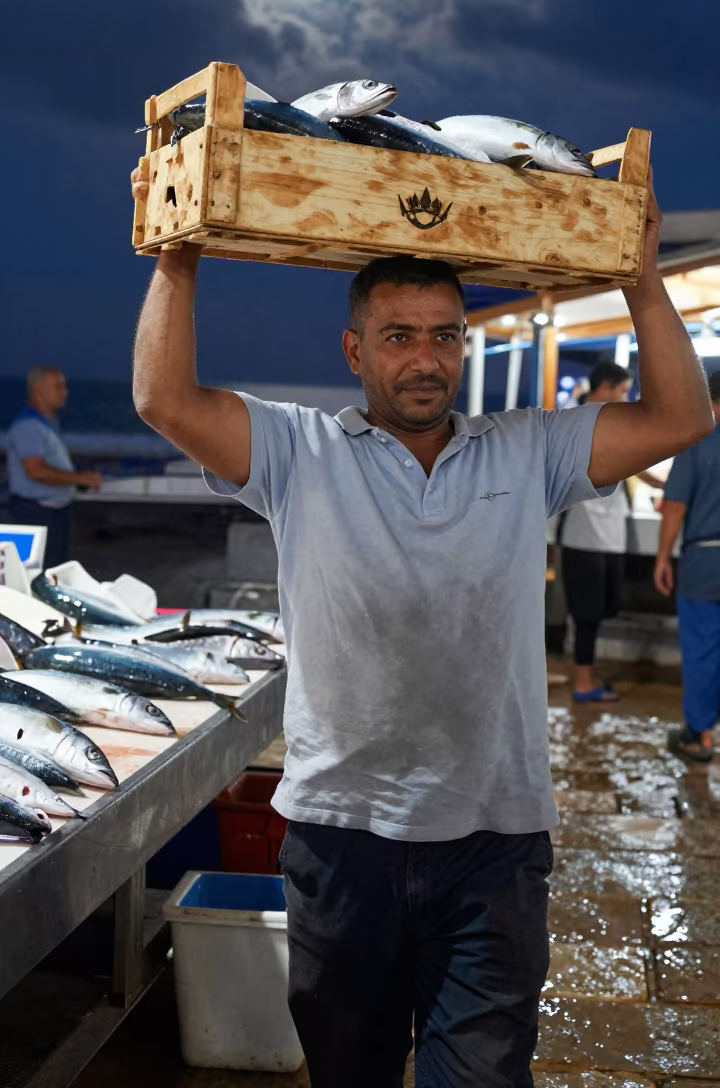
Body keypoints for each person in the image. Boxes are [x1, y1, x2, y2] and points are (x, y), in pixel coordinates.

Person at [131, 161, 710, 1088]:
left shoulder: (528, 450)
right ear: (355, 350)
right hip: (340, 840)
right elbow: (164, 400)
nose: (426, 358)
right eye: (399, 336)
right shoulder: (297, 449)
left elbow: (683, 415)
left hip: (496, 842)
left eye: (445, 337)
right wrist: (179, 255)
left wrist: (642, 280)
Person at [559, 361, 664, 702]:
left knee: (595, 612)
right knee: (587, 614)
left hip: (600, 536)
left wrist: (665, 483)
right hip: (584, 536)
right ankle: (583, 682)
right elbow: (632, 461)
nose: (626, 396)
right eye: (623, 389)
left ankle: (585, 676)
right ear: (604, 387)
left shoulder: (585, 421)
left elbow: (633, 462)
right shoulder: (580, 422)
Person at [654, 369, 720, 762]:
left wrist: (663, 557)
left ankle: (699, 736)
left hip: (706, 560)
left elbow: (675, 505)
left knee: (702, 648)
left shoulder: (698, 441)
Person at [6, 367, 101, 569]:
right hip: (35, 512)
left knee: (54, 569)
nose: (64, 392)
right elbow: (35, 470)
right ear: (39, 390)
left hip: (52, 510)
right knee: (38, 572)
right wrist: (79, 479)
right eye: (58, 387)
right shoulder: (29, 425)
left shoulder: (46, 422)